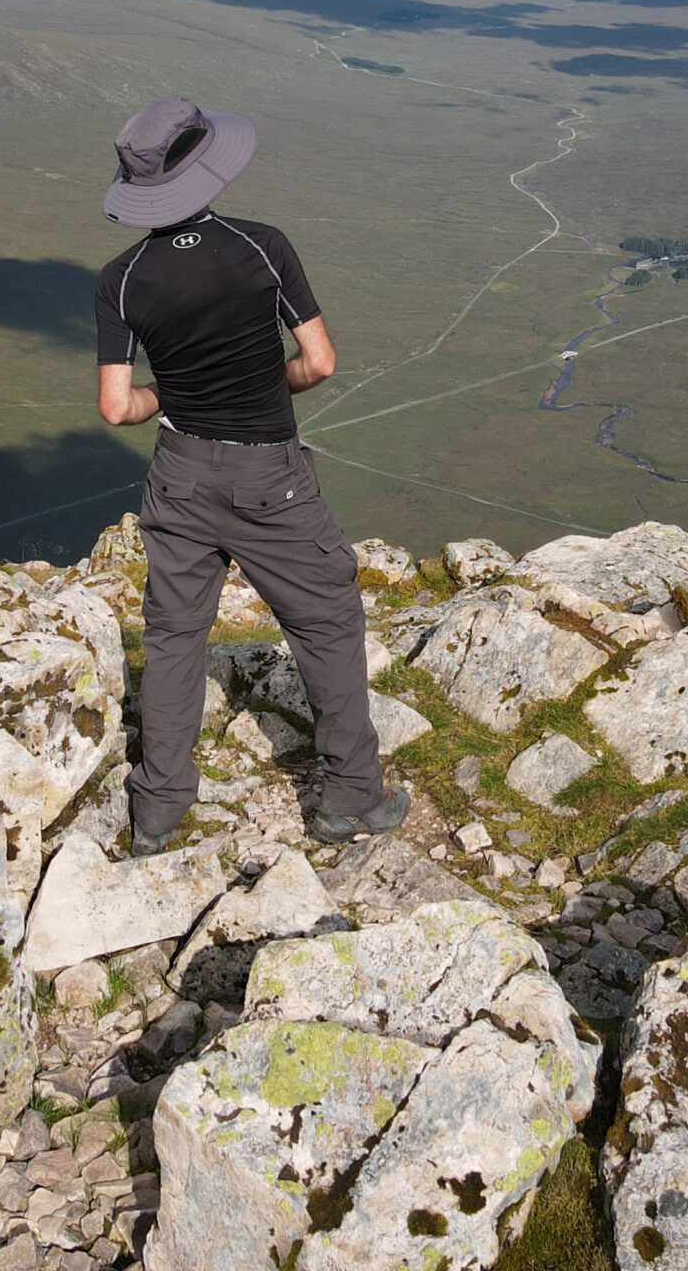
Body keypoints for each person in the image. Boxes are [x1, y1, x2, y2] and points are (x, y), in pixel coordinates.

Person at [93, 95, 409, 857]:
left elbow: (115, 407)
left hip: (178, 474)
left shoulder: (121, 279)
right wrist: (268, 384)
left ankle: (158, 810)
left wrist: (173, 393)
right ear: (206, 169)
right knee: (327, 620)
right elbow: (321, 361)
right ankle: (350, 797)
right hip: (270, 475)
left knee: (173, 636)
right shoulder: (262, 246)